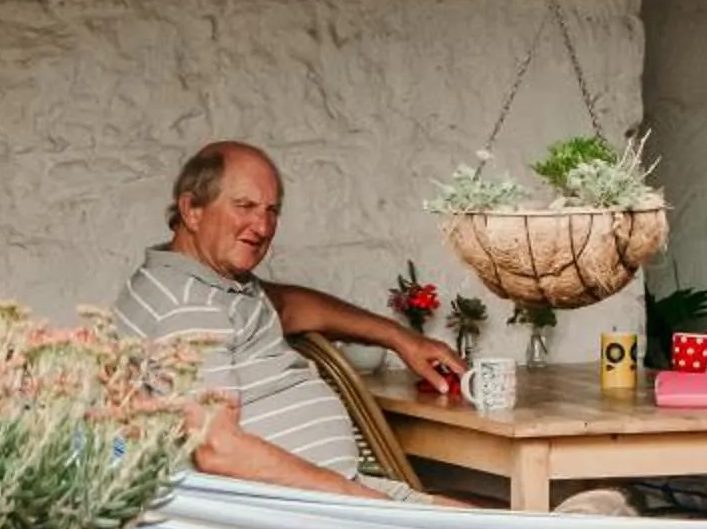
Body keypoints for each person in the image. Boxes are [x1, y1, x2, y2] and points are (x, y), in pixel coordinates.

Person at [112, 140, 463, 500]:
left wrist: (401, 338)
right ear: (192, 210)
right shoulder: (186, 306)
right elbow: (217, 449)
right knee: (484, 528)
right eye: (245, 206)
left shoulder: (207, 283)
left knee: (479, 517)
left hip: (332, 491)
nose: (262, 226)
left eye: (272, 211)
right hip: (295, 510)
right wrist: (362, 500)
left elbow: (289, 306)